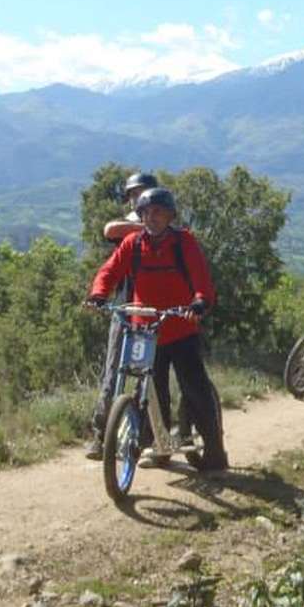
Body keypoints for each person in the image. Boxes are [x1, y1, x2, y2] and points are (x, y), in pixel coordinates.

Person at [87, 187, 228, 472]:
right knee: (151, 390)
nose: (152, 217)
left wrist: (200, 302)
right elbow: (109, 271)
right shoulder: (133, 244)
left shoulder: (183, 242)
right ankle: (158, 447)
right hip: (146, 331)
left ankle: (215, 452)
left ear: (170, 216)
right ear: (140, 215)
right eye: (147, 212)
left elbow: (201, 279)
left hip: (181, 328)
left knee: (195, 388)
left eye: (159, 212)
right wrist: (98, 294)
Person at [87, 171, 158, 460]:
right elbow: (110, 230)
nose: (135, 198)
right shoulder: (132, 226)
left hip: (153, 311)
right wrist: (145, 226)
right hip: (124, 307)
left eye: (140, 193)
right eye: (132, 194)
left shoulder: (164, 228)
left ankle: (144, 437)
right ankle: (101, 435)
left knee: (150, 375)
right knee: (113, 371)